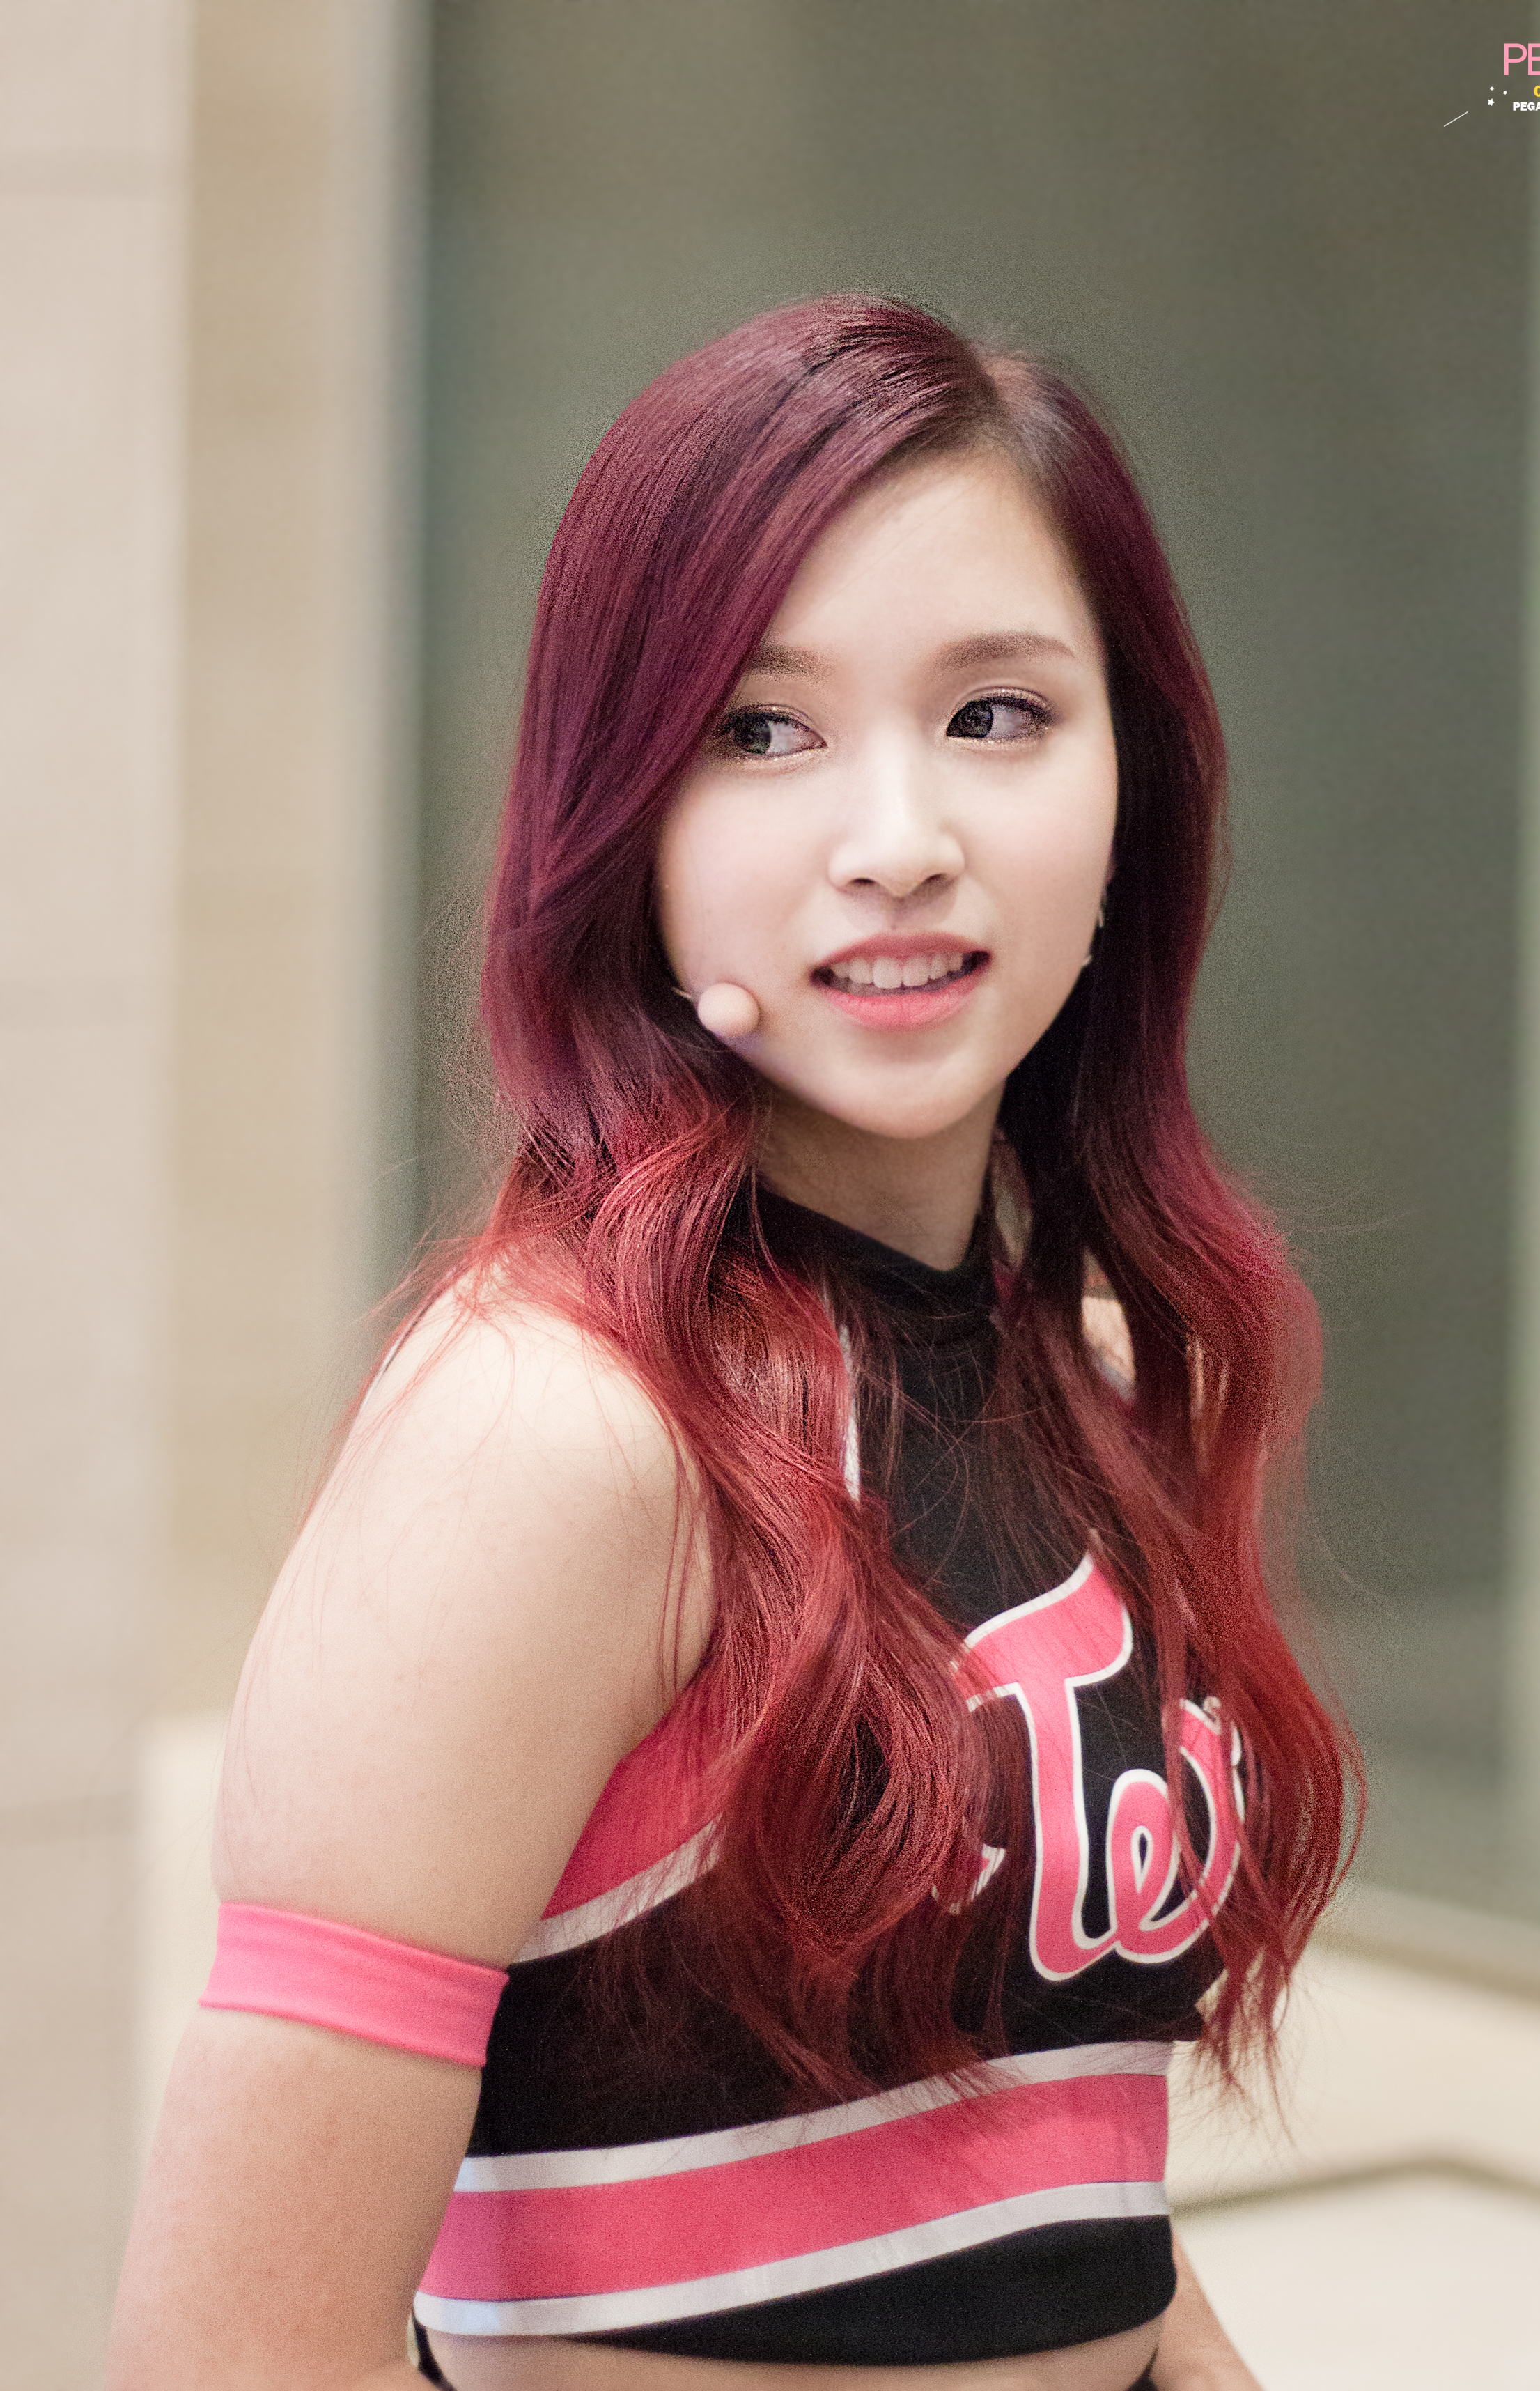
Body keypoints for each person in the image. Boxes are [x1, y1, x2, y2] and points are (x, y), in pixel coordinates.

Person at [109, 296, 1356, 2391]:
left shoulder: (1095, 1376)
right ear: (626, 825)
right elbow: (232, 2357)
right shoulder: (564, 1431)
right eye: (763, 734)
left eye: (997, 715)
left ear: (1130, 785)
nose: (899, 839)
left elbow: (1065, 2203)